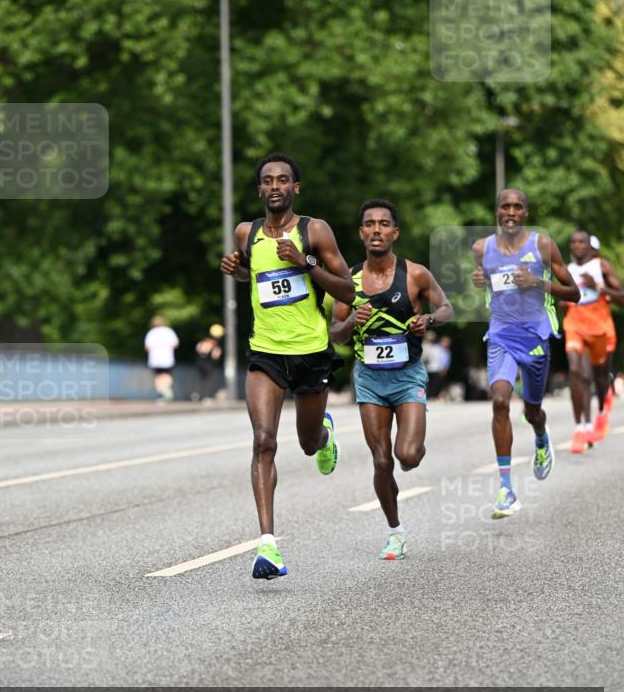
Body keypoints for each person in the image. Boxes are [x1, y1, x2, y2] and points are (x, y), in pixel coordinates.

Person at [220, 153, 355, 580]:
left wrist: (305, 263)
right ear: (259, 189)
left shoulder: (314, 231)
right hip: (265, 352)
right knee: (263, 441)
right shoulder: (248, 232)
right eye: (267, 180)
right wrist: (236, 270)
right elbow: (253, 275)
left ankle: (324, 434)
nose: (275, 185)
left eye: (283, 179)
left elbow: (348, 291)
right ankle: (268, 546)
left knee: (308, 443)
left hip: (312, 350)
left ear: (296, 187)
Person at [330, 200, 453, 560]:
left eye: (384, 224)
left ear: (395, 233)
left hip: (408, 375)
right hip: (369, 378)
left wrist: (428, 320)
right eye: (370, 224)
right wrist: (353, 320)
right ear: (361, 233)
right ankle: (395, 531)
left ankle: (414, 447)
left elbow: (447, 308)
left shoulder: (414, 274)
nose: (377, 230)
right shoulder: (348, 282)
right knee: (382, 461)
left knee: (408, 456)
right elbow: (335, 333)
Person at [472, 189, 579, 519]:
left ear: (526, 213)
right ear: (497, 211)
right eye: (505, 205)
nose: (511, 211)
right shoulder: (482, 249)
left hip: (535, 337)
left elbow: (574, 292)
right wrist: (481, 280)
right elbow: (493, 284)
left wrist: (538, 283)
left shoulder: (542, 245)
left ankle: (540, 435)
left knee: (533, 410)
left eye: (517, 206)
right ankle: (506, 488)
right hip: (501, 335)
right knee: (501, 401)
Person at [563, 229, 624, 452]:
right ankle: (581, 427)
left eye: (582, 242)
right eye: (573, 242)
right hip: (575, 327)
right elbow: (560, 299)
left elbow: (622, 297)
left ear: (590, 246)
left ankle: (602, 409)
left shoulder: (602, 267)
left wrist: (597, 287)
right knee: (577, 371)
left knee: (599, 376)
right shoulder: (567, 271)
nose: (577, 246)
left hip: (600, 329)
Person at [144, 316, 179, 400]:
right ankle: (166, 389)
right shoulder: (168, 331)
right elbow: (176, 344)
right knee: (167, 375)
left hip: (155, 359)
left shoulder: (151, 333)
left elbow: (146, 347)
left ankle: (161, 393)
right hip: (167, 358)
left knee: (158, 376)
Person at [194, 324, 224, 400]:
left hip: (200, 362)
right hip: (209, 363)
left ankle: (199, 394)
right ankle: (206, 396)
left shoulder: (204, 341)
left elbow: (197, 348)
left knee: (201, 379)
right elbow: (216, 356)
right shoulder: (215, 344)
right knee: (209, 380)